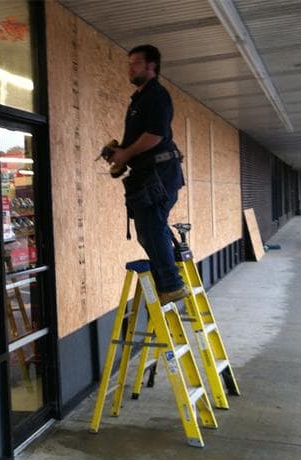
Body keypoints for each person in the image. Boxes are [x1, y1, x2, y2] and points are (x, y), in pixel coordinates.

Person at [108, 44, 189, 305]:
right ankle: (168, 275)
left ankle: (171, 284)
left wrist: (125, 154)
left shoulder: (156, 95)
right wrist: (119, 152)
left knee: (152, 225)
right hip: (151, 172)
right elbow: (139, 140)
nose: (130, 68)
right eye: (129, 63)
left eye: (136, 63)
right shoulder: (139, 99)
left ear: (151, 66)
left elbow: (156, 135)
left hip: (159, 173)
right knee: (149, 227)